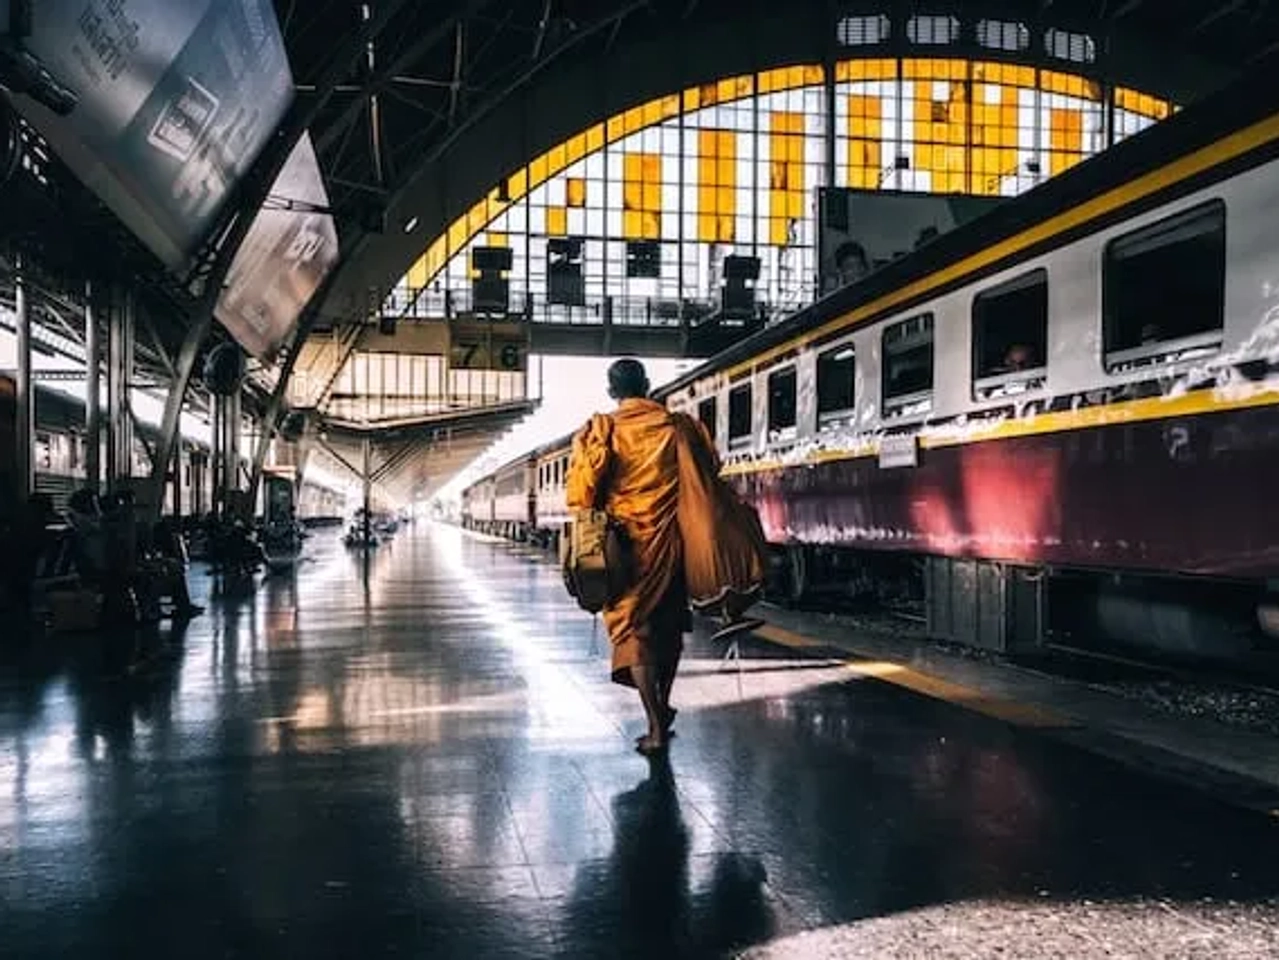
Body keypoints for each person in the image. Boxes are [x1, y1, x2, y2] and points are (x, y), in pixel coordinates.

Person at [566, 359, 701, 756]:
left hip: (623, 550)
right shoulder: (678, 427)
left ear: (612, 391)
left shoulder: (601, 431)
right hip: (671, 543)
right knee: (670, 630)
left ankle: (656, 725)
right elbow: (706, 473)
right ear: (647, 385)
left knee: (634, 633)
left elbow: (583, 494)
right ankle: (663, 708)